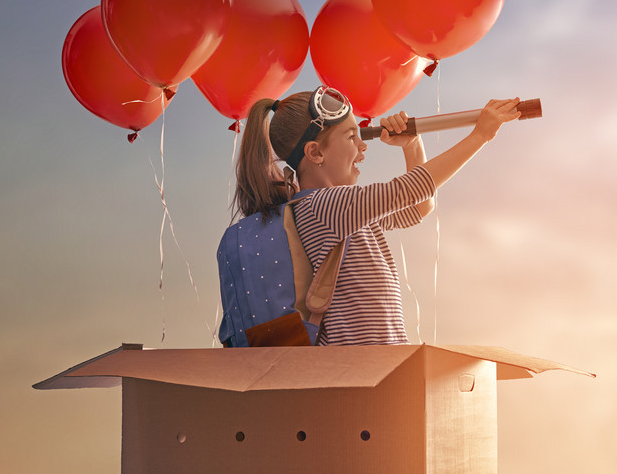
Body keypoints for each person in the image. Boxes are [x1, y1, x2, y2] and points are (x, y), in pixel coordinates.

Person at [217, 86, 520, 347]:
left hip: (374, 362)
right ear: (315, 153)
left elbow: (419, 207)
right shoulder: (324, 207)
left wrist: (412, 144)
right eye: (351, 137)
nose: (363, 146)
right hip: (358, 367)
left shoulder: (345, 213)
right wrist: (481, 135)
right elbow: (411, 189)